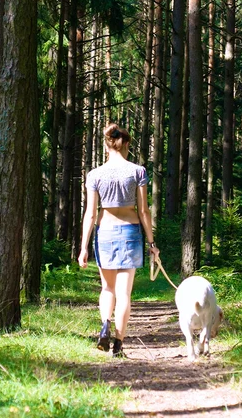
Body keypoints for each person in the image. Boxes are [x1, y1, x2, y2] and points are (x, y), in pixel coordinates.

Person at [78, 123, 159, 357]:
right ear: (125, 144)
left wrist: (84, 247)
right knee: (124, 293)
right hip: (131, 233)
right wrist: (152, 244)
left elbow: (91, 214)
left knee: (107, 288)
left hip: (105, 233)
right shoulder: (137, 171)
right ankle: (118, 345)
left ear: (106, 145)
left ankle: (105, 324)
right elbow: (143, 211)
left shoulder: (94, 175)